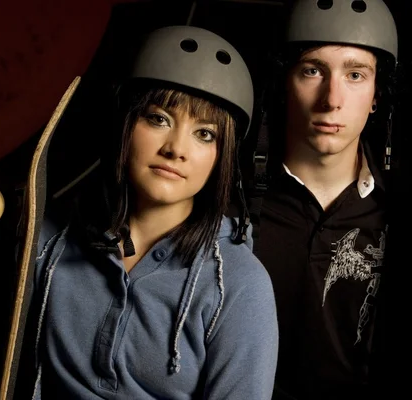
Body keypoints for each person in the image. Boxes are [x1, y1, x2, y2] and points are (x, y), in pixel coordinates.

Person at [17, 25, 278, 399]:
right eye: (159, 119)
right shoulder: (49, 241)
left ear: (221, 157)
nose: (176, 149)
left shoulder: (238, 285)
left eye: (204, 134)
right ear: (125, 123)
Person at [237, 0, 412, 399]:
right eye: (312, 70)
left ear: (377, 94)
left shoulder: (408, 216)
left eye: (355, 74)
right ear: (284, 82)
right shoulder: (232, 202)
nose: (332, 98)